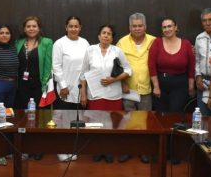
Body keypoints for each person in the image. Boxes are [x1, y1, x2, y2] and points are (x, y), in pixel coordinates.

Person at [80, 24, 131, 164]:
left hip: (113, 94)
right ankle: (97, 150)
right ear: (99, 35)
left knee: (111, 124)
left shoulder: (117, 51)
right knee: (95, 124)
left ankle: (108, 151)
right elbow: (83, 73)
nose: (106, 35)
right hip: (94, 94)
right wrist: (83, 93)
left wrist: (114, 79)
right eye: (103, 33)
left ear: (112, 37)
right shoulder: (90, 50)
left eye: (109, 34)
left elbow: (128, 70)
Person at [116, 12, 155, 164]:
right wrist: (122, 83)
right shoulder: (122, 42)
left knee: (144, 122)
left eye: (140, 26)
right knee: (127, 122)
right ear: (129, 27)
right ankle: (127, 151)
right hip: (128, 89)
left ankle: (144, 151)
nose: (137, 28)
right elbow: (116, 65)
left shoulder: (154, 41)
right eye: (134, 26)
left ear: (145, 26)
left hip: (146, 89)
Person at [52, 16, 89, 162]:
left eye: (76, 26)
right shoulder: (59, 43)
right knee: (62, 119)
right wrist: (63, 86)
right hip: (64, 89)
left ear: (80, 27)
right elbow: (56, 66)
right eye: (71, 26)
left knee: (75, 120)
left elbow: (86, 67)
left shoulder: (85, 43)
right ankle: (61, 149)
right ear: (66, 27)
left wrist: (84, 90)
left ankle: (72, 148)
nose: (74, 29)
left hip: (79, 88)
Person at [148, 17, 195, 112]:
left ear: (175, 27)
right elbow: (151, 65)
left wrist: (191, 86)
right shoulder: (157, 42)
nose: (167, 29)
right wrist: (156, 86)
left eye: (169, 26)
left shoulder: (186, 44)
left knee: (175, 114)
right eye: (164, 27)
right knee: (161, 116)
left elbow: (191, 66)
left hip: (180, 85)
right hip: (161, 85)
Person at [15, 16, 53, 108]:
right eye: (28, 26)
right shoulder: (18, 42)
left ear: (39, 28)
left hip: (39, 85)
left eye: (34, 26)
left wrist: (44, 84)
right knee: (22, 113)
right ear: (24, 29)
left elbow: (48, 66)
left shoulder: (47, 42)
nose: (31, 29)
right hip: (21, 84)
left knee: (39, 114)